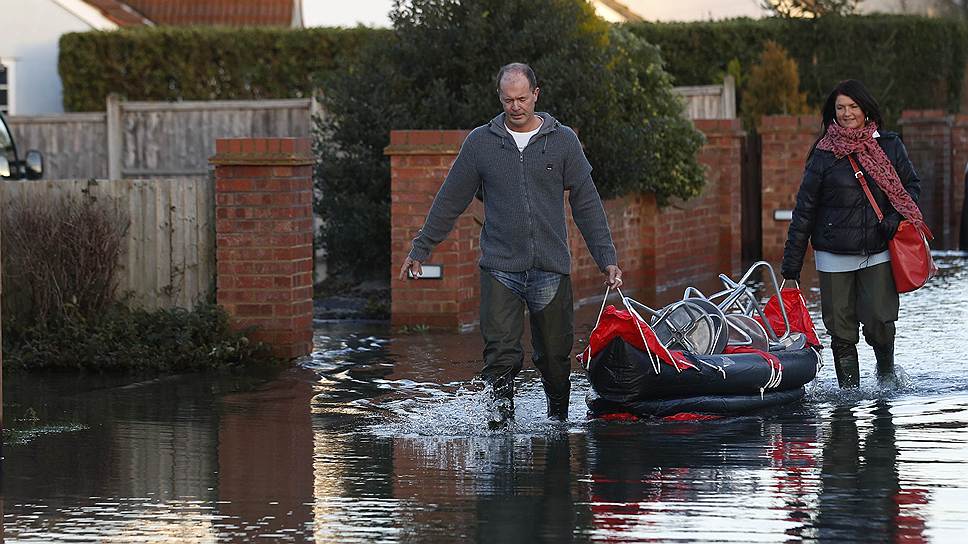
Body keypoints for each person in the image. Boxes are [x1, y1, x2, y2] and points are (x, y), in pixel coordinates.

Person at [399, 62, 623, 426]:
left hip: (550, 268)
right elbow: (450, 199)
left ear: (536, 94)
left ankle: (558, 422)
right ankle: (499, 431)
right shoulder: (480, 144)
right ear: (499, 99)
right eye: (508, 100)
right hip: (501, 267)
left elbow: (587, 202)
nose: (515, 107)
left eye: (522, 99)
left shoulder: (563, 140)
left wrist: (606, 258)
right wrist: (421, 248)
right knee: (500, 356)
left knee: (554, 357)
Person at [781, 79, 922, 389]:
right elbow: (804, 210)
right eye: (840, 108)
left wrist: (895, 216)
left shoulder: (889, 145)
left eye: (852, 107)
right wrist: (791, 267)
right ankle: (849, 397)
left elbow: (912, 188)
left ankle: (886, 378)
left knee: (881, 323)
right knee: (841, 331)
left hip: (878, 249)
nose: (846, 113)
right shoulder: (822, 155)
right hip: (833, 255)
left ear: (865, 108)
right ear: (833, 112)